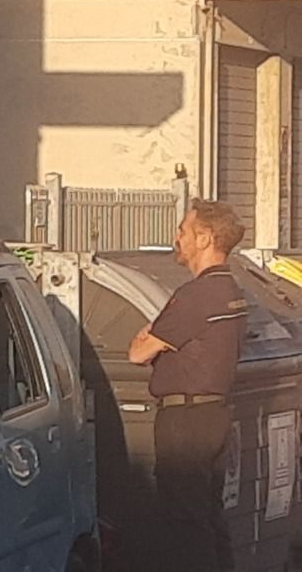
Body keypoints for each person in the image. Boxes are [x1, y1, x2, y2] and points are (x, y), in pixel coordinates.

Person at [129, 199, 248, 572]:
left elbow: (138, 352)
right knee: (209, 517)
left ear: (204, 238)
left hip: (185, 421)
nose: (176, 238)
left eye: (182, 230)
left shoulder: (196, 295)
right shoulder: (233, 291)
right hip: (215, 416)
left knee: (184, 521)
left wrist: (148, 334)